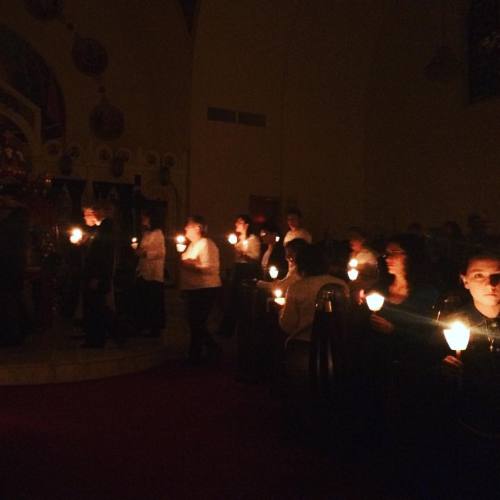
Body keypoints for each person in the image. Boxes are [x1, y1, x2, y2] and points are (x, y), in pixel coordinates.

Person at [441, 249, 500, 437]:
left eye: (497, 275)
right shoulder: (451, 324)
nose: (491, 284)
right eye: (479, 275)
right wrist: (443, 370)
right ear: (465, 280)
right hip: (472, 423)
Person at [279, 244, 348, 343]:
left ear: (300, 264)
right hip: (334, 345)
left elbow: (288, 325)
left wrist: (281, 311)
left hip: (303, 345)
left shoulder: (296, 288)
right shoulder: (341, 284)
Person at [179, 215, 222, 364]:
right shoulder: (192, 245)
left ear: (198, 228)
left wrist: (191, 265)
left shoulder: (206, 244)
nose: (185, 228)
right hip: (194, 288)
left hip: (205, 288)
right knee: (194, 322)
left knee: (197, 322)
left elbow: (210, 268)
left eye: (188, 226)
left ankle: (197, 354)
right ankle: (204, 351)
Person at [217, 214, 260, 337]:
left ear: (246, 225)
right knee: (232, 298)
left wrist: (243, 254)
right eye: (236, 222)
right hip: (238, 268)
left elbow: (255, 258)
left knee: (242, 299)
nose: (236, 224)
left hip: (247, 270)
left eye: (239, 222)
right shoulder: (238, 239)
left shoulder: (253, 240)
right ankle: (226, 329)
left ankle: (242, 330)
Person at [81, 201, 115, 348]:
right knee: (96, 306)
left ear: (94, 213)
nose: (84, 218)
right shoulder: (100, 229)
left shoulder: (105, 229)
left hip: (97, 276)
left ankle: (97, 339)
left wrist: (97, 277)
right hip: (95, 275)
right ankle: (96, 337)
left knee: (96, 307)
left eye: (86, 214)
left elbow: (103, 255)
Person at [134, 207, 166, 337]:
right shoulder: (146, 234)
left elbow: (161, 253)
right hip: (144, 271)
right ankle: (144, 325)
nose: (142, 219)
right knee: (144, 300)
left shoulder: (157, 233)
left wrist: (145, 253)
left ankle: (155, 328)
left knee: (153, 301)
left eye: (145, 217)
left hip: (153, 273)